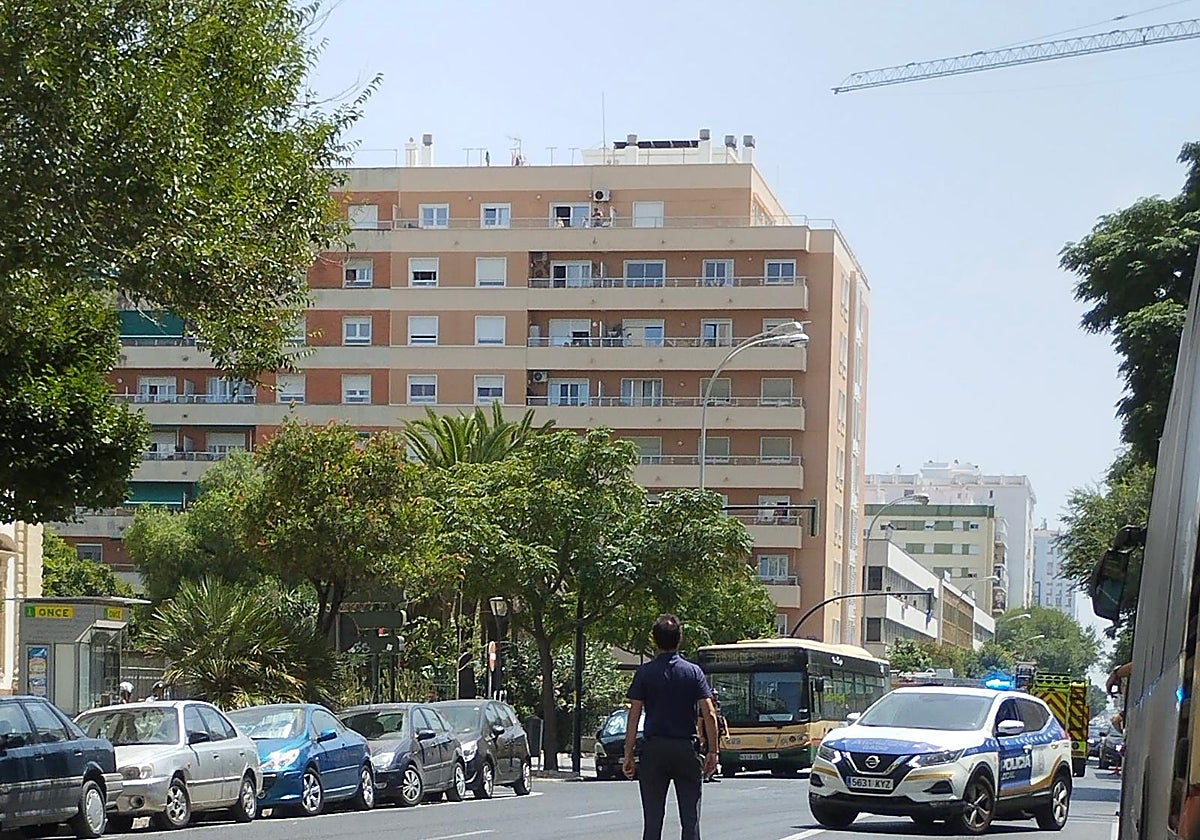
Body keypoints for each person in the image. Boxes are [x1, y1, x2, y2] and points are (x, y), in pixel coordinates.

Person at [624, 614, 718, 840]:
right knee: (690, 819)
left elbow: (634, 714)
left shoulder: (644, 673)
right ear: (680, 639)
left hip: (654, 750)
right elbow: (709, 712)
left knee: (653, 820)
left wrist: (628, 753)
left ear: (654, 641)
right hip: (685, 748)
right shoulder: (693, 672)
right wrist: (713, 751)